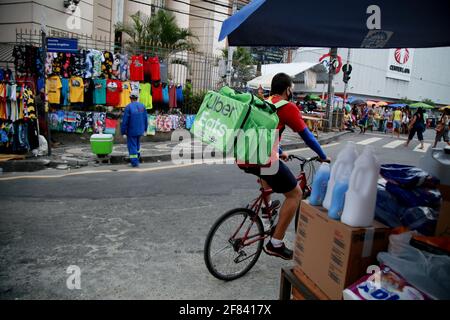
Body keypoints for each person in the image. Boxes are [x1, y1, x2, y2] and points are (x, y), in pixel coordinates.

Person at [239, 73, 329, 260]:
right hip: (264, 159)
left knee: (268, 172)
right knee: (295, 194)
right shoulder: (288, 107)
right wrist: (323, 156)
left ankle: (267, 208)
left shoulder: (264, 102)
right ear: (288, 89)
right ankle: (275, 243)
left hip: (245, 156)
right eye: (292, 89)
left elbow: (264, 132)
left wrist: (279, 151)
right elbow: (308, 137)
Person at [121, 92, 148, 167]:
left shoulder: (128, 107)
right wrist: (145, 129)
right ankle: (137, 158)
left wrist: (123, 132)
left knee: (132, 146)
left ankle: (134, 162)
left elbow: (125, 120)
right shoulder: (142, 106)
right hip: (140, 130)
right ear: (137, 98)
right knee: (137, 145)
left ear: (130, 98)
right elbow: (145, 118)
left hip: (131, 131)